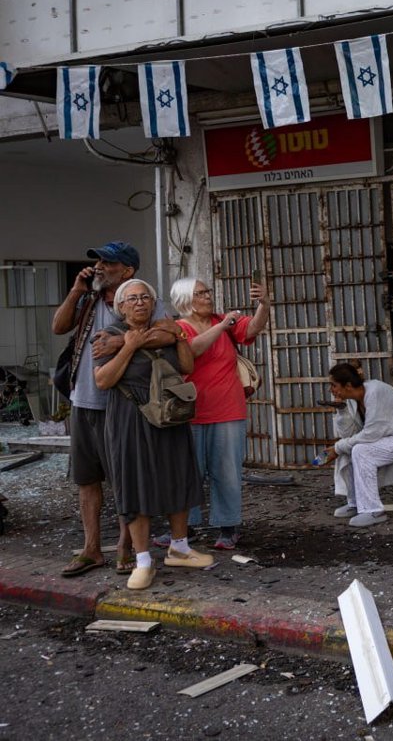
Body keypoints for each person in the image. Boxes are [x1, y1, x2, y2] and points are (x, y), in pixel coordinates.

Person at [51, 241, 175, 577]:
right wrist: (76, 292)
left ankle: (126, 546)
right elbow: (59, 327)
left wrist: (123, 340)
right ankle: (91, 549)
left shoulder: (142, 299)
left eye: (109, 262)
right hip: (83, 402)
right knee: (86, 479)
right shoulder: (89, 300)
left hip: (122, 407)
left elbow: (170, 333)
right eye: (99, 262)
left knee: (124, 480)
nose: (101, 267)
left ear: (128, 270)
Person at [94, 279, 212, 589]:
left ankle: (180, 547)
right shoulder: (109, 336)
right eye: (131, 299)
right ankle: (143, 560)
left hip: (169, 415)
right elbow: (103, 380)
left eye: (145, 297)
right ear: (120, 306)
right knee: (136, 485)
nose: (139, 303)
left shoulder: (167, 327)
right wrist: (128, 346)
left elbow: (185, 365)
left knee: (178, 476)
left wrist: (179, 336)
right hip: (131, 418)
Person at [168, 277, 270, 550]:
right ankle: (183, 528)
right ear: (186, 300)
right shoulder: (178, 328)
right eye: (200, 293)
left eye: (207, 291)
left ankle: (228, 527)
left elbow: (253, 329)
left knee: (227, 471)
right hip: (190, 410)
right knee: (189, 472)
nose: (208, 296)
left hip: (228, 408)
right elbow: (191, 352)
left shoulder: (223, 321)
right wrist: (223, 326)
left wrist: (264, 303)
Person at [323, 363, 393, 528]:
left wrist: (337, 448)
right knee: (349, 449)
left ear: (347, 385)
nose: (330, 390)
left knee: (360, 450)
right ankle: (355, 503)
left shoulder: (376, 391)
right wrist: (342, 410)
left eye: (333, 385)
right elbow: (349, 435)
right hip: (389, 438)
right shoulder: (353, 399)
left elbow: (371, 434)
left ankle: (373, 510)